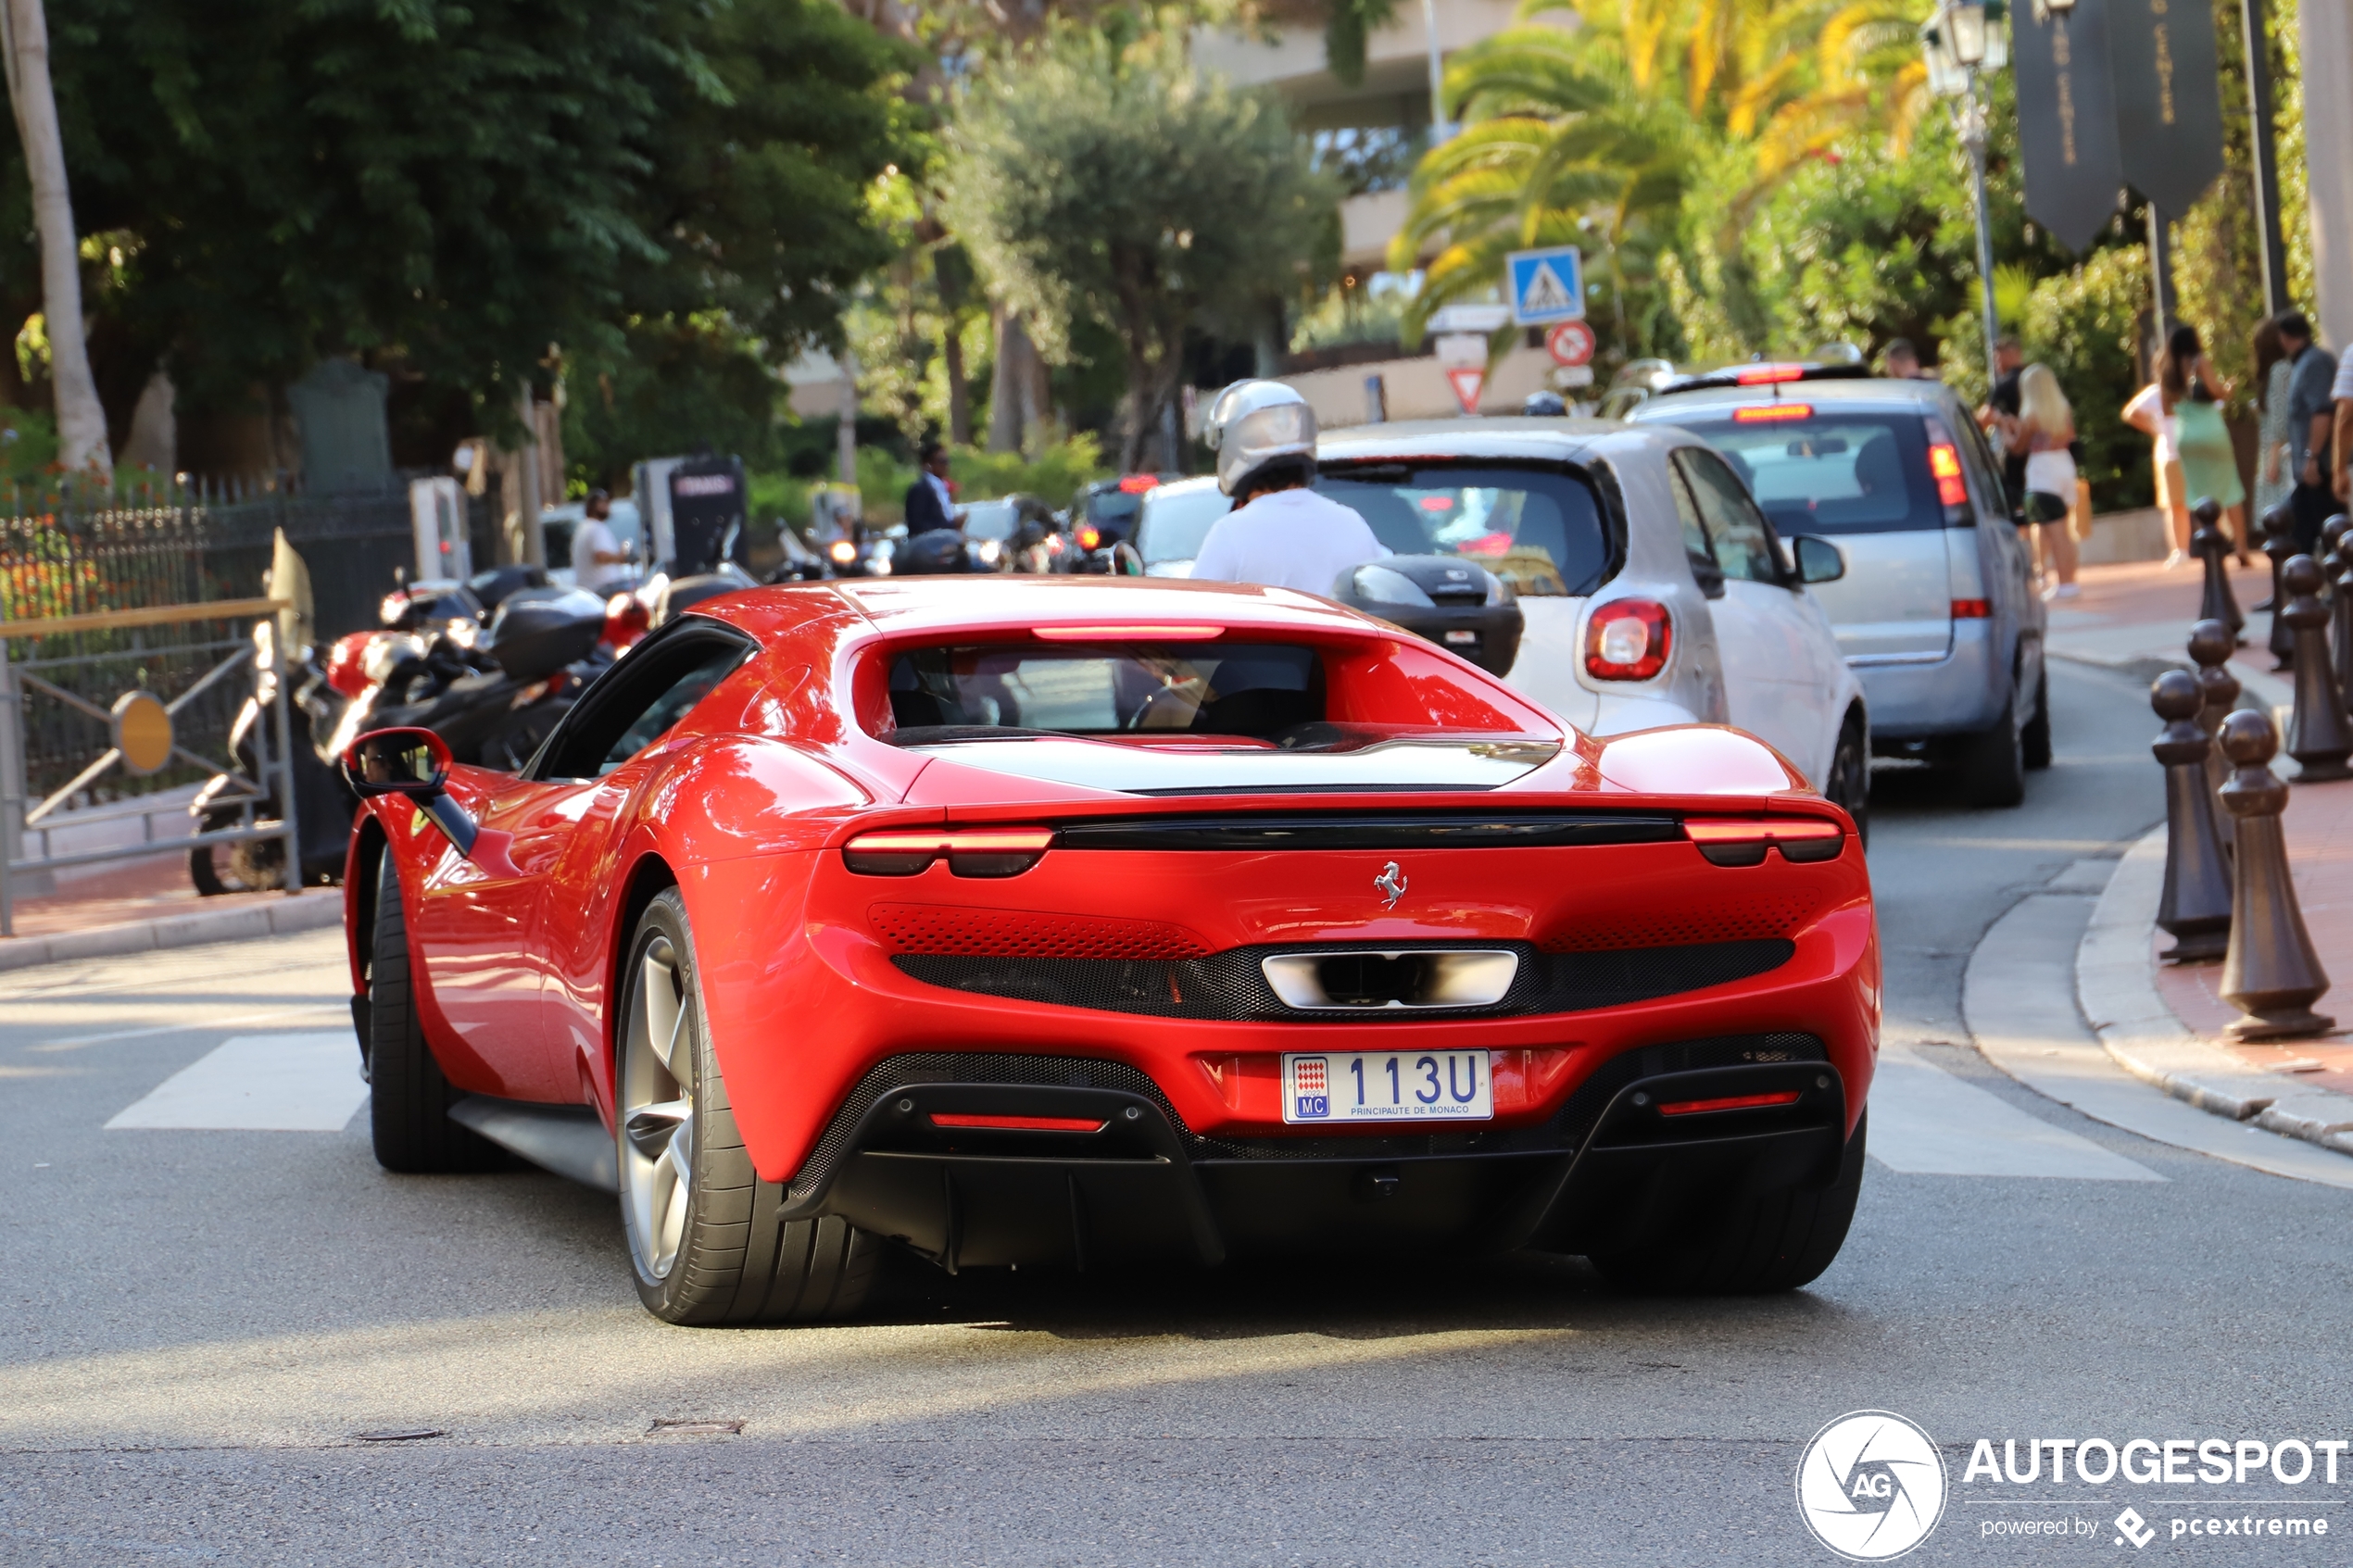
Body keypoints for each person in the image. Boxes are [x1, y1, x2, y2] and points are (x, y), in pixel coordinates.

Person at [1189, 381, 1388, 596]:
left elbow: (1196, 612)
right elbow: (1388, 592)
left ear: (1234, 447)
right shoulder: (1352, 524)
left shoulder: (1231, 534)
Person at [2158, 324, 2248, 565]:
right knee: (2230, 489)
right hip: (2211, 430)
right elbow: (2216, 392)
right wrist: (2228, 389)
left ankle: (2213, 547)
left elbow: (2166, 409)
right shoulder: (2200, 362)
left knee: (2198, 493)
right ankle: (2240, 547)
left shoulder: (2166, 370)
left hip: (2185, 435)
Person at [2010, 364, 2080, 599]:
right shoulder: (2063, 409)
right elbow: (2070, 436)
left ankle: (2067, 584)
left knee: (2054, 531)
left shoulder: (2030, 416)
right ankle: (2068, 580)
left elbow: (2018, 448)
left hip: (2042, 472)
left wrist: (2004, 428)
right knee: (2062, 530)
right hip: (2063, 466)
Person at [2273, 313, 2337, 554]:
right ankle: (2294, 586)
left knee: (2331, 532)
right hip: (2307, 470)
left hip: (2319, 469)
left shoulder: (2314, 362)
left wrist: (2312, 457)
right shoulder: (2305, 363)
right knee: (2299, 534)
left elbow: (2322, 411)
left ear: (2285, 337)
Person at [2252, 317, 2295, 533]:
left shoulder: (2277, 371)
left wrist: (2272, 462)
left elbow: (2279, 421)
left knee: (2280, 521)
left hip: (2274, 454)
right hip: (2273, 454)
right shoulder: (2280, 370)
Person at [1977, 336, 2028, 518]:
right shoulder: (2035, 379)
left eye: (1997, 358)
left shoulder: (2006, 385)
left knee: (2018, 510)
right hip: (2041, 455)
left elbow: (1983, 419)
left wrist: (2000, 421)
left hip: (2016, 455)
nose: (1996, 364)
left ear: (2010, 354)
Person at [569, 489, 635, 592]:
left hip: (590, 589)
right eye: (604, 502)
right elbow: (601, 556)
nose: (608, 506)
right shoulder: (595, 527)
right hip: (603, 588)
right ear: (595, 506)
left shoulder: (584, 526)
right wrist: (622, 556)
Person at [903, 442, 957, 535]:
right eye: (942, 461)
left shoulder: (940, 486)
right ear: (928, 464)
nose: (946, 465)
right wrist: (952, 524)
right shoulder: (920, 489)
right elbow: (917, 526)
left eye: (947, 461)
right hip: (929, 544)